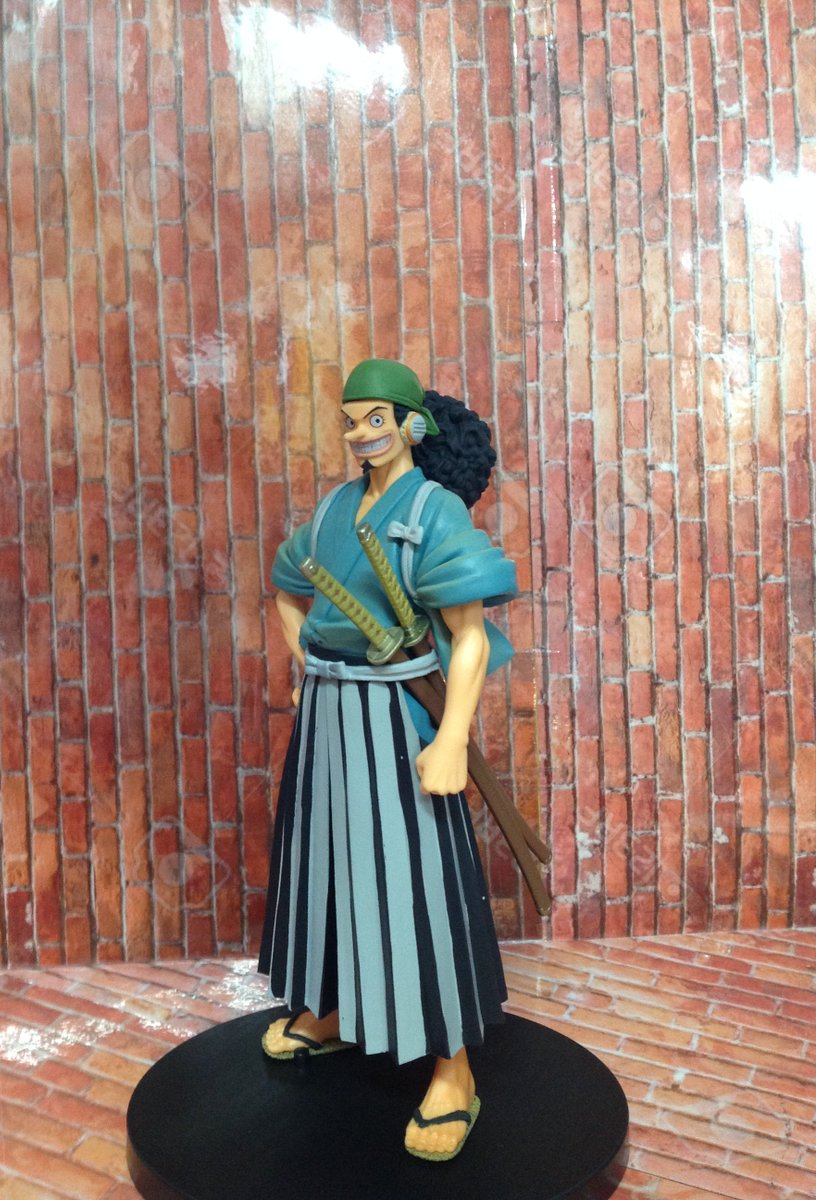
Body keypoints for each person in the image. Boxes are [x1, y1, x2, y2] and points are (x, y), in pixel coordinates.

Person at [258, 358, 518, 1161]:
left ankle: (454, 1070)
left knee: (417, 886)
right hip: (329, 719)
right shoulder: (335, 509)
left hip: (399, 719)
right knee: (323, 866)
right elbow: (285, 590)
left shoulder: (434, 510)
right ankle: (335, 1005)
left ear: (411, 424)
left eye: (376, 418)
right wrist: (309, 668)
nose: (360, 434)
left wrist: (450, 738)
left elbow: (469, 637)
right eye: (350, 420)